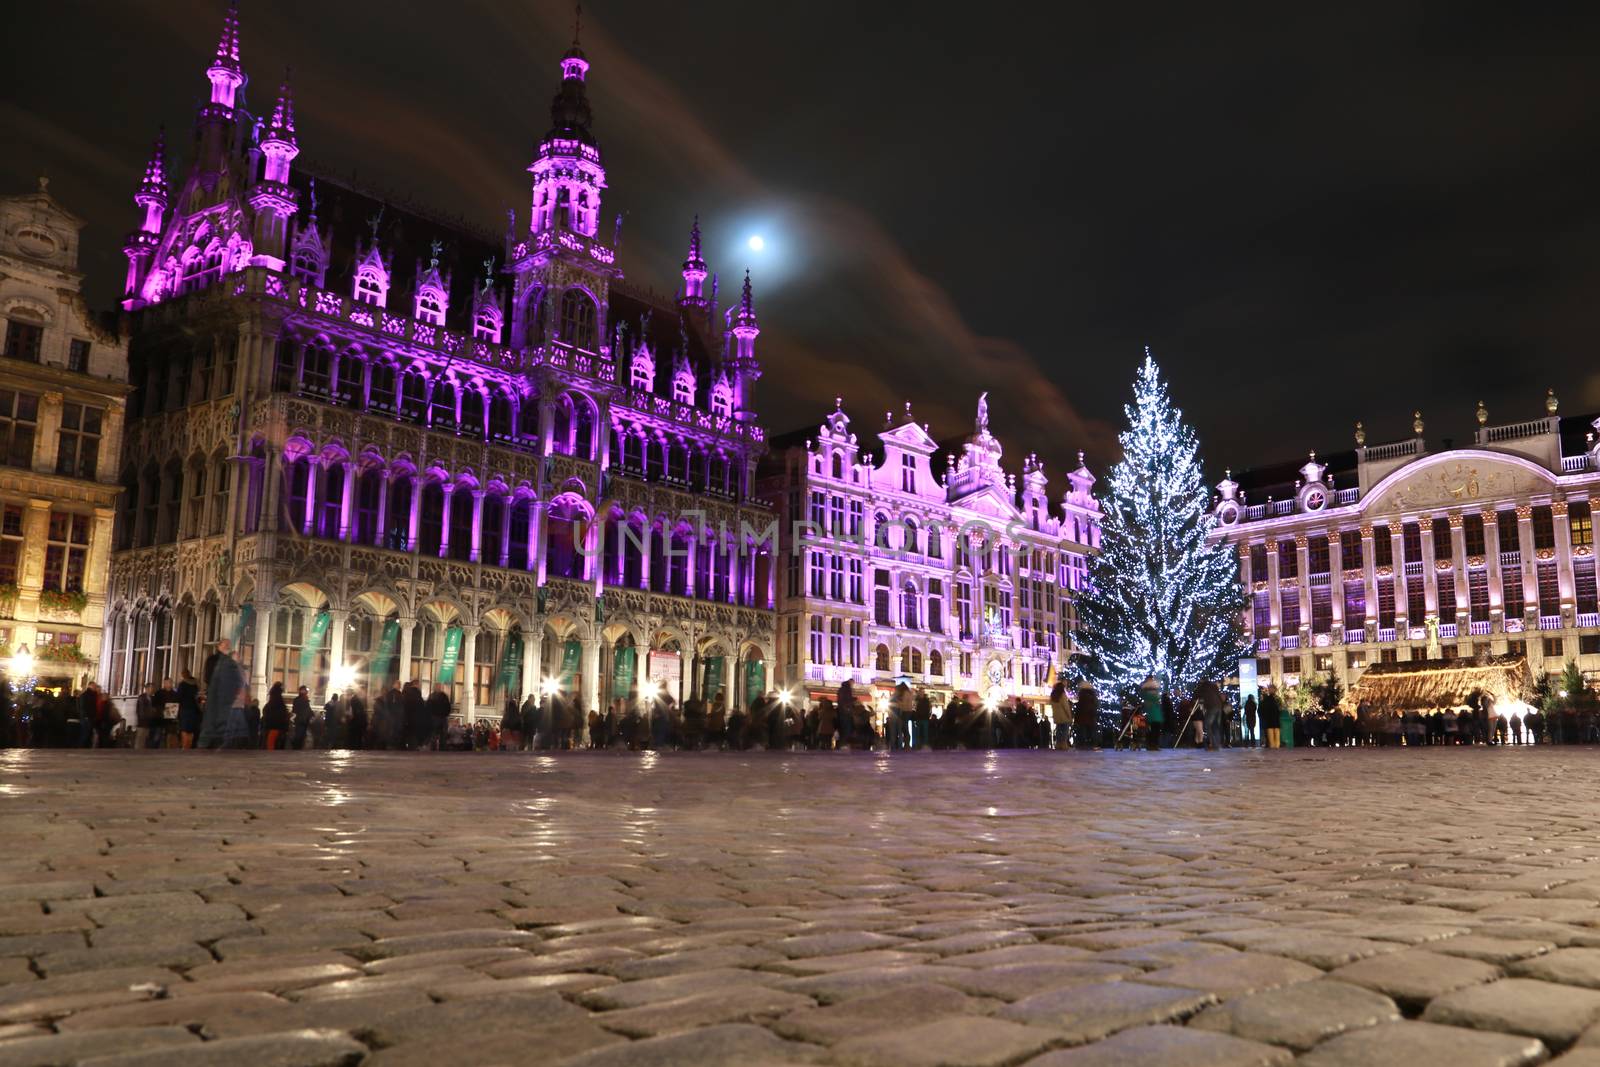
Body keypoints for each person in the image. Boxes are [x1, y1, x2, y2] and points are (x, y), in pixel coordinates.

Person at [198, 639, 245, 749]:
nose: (228, 646)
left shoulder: (226, 661)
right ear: (219, 646)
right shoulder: (215, 660)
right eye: (226, 644)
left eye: (229, 644)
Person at [1195, 679, 1225, 752]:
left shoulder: (1203, 687)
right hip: (1219, 707)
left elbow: (1197, 696)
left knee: (1208, 726)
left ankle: (1212, 745)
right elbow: (1219, 696)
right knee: (1216, 727)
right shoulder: (1214, 686)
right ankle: (1217, 745)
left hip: (1211, 707)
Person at [176, 670, 202, 748]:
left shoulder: (182, 684)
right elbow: (199, 697)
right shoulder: (196, 684)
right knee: (192, 730)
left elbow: (178, 697)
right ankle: (190, 745)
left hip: (185, 710)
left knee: (184, 729)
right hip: (195, 710)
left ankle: (185, 746)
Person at [262, 682, 289, 750]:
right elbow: (283, 716)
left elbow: (266, 714)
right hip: (279, 727)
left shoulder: (270, 704)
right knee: (277, 745)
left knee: (271, 745)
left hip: (271, 727)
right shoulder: (280, 704)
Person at [1139, 676, 1163, 751]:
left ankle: (1152, 744)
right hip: (1154, 713)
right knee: (1154, 729)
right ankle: (1153, 744)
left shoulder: (1147, 694)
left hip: (1153, 713)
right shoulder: (1151, 695)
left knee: (1153, 729)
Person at [1074, 682, 1100, 751]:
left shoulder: (1081, 695)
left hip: (1082, 717)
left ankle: (1082, 745)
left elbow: (1079, 708)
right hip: (1091, 716)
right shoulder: (1092, 695)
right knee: (1092, 731)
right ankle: (1093, 744)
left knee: (1082, 731)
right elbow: (1096, 704)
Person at [134, 682, 159, 749]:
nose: (152, 690)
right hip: (143, 723)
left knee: (147, 741)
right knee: (140, 741)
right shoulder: (142, 698)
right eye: (150, 688)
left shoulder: (153, 698)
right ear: (146, 689)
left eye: (153, 688)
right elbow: (141, 711)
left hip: (150, 723)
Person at [1260, 685, 1283, 749]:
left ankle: (1274, 746)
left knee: (1273, 735)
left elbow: (1261, 709)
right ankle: (1275, 746)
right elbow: (1280, 708)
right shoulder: (1276, 699)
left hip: (1270, 720)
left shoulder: (1267, 699)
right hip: (1274, 720)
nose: (1270, 690)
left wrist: (1263, 717)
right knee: (1275, 734)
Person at [291, 685, 312, 750]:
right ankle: (296, 747)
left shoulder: (302, 699)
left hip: (302, 721)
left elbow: (295, 710)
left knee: (300, 735)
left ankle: (297, 747)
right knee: (300, 735)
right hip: (302, 721)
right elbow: (306, 710)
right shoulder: (303, 700)